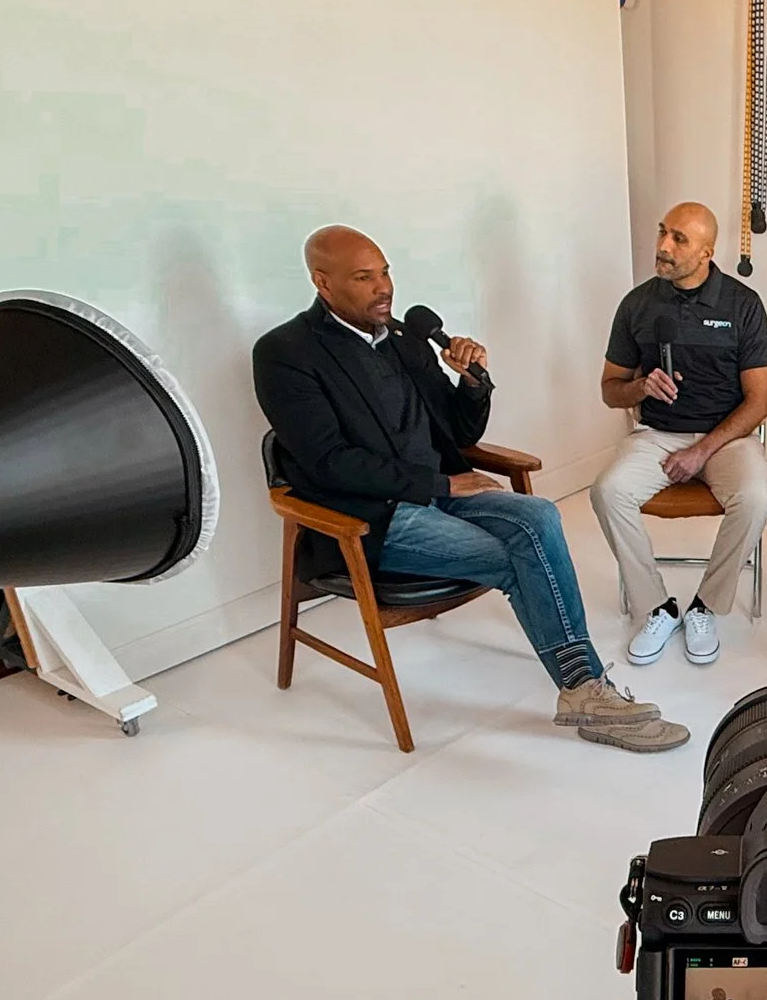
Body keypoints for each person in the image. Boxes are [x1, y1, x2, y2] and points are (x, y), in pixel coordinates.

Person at [252, 225, 686, 753]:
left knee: (541, 516)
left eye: (385, 271)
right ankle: (586, 691)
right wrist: (438, 484)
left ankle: (583, 690)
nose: (383, 287)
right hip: (373, 518)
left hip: (440, 494)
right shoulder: (284, 353)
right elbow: (327, 463)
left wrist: (472, 381)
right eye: (364, 278)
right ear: (322, 282)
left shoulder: (405, 341)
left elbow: (459, 434)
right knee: (510, 554)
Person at [592, 203, 767, 667]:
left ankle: (706, 606)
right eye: (662, 233)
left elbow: (758, 404)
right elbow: (610, 392)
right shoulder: (637, 304)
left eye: (679, 240)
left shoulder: (743, 305)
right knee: (608, 491)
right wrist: (639, 386)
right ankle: (658, 606)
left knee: (754, 499)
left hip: (725, 438)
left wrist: (701, 451)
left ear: (707, 253)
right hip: (658, 433)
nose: (663, 247)